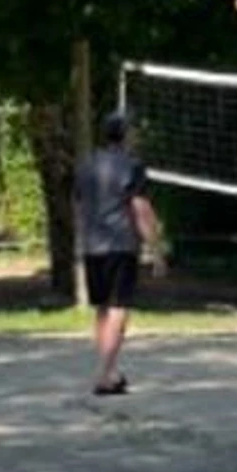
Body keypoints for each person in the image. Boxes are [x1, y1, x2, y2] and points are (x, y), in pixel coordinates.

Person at [74, 110, 163, 397]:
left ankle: (110, 372)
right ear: (126, 135)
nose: (136, 135)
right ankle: (104, 374)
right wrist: (156, 249)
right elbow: (140, 208)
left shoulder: (86, 164)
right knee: (118, 308)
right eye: (133, 130)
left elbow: (79, 206)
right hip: (120, 244)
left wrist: (83, 238)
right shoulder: (132, 166)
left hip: (92, 245)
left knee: (102, 309)